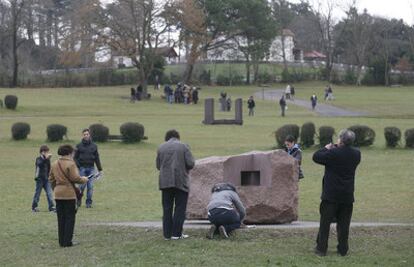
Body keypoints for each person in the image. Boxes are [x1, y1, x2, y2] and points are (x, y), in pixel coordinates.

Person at [312, 129, 361, 256]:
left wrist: (326, 148)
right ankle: (343, 249)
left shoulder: (333, 153)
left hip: (331, 195)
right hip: (347, 195)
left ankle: (321, 249)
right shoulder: (357, 154)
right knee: (344, 224)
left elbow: (316, 157)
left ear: (341, 139)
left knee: (325, 223)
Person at [156, 129, 195, 240]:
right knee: (180, 208)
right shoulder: (184, 146)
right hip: (181, 181)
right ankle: (176, 234)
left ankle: (167, 235)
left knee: (167, 208)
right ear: (177, 137)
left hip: (165, 182)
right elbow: (191, 163)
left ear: (167, 138)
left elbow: (158, 166)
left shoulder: (161, 147)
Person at [49, 144, 88, 247]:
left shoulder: (54, 164)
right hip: (69, 194)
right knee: (70, 218)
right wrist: (84, 179)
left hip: (58, 194)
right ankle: (67, 242)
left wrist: (56, 188)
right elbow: (76, 178)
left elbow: (51, 179)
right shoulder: (71, 164)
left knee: (60, 218)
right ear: (69, 153)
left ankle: (61, 241)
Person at [74, 129, 103, 208]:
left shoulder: (94, 146)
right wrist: (79, 166)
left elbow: (97, 158)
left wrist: (100, 169)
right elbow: (75, 158)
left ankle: (88, 203)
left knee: (90, 187)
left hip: (91, 169)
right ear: (82, 135)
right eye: (84, 134)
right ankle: (78, 199)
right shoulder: (78, 146)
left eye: (87, 134)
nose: (86, 135)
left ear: (89, 135)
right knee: (82, 186)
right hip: (82, 169)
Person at [32, 145, 55, 212]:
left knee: (49, 193)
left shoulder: (47, 160)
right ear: (42, 152)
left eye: (48, 151)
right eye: (46, 152)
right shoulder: (38, 159)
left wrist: (50, 177)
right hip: (39, 179)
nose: (47, 153)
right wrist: (45, 159)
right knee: (37, 193)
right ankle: (34, 207)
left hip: (46, 179)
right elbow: (40, 164)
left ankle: (51, 207)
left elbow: (49, 168)